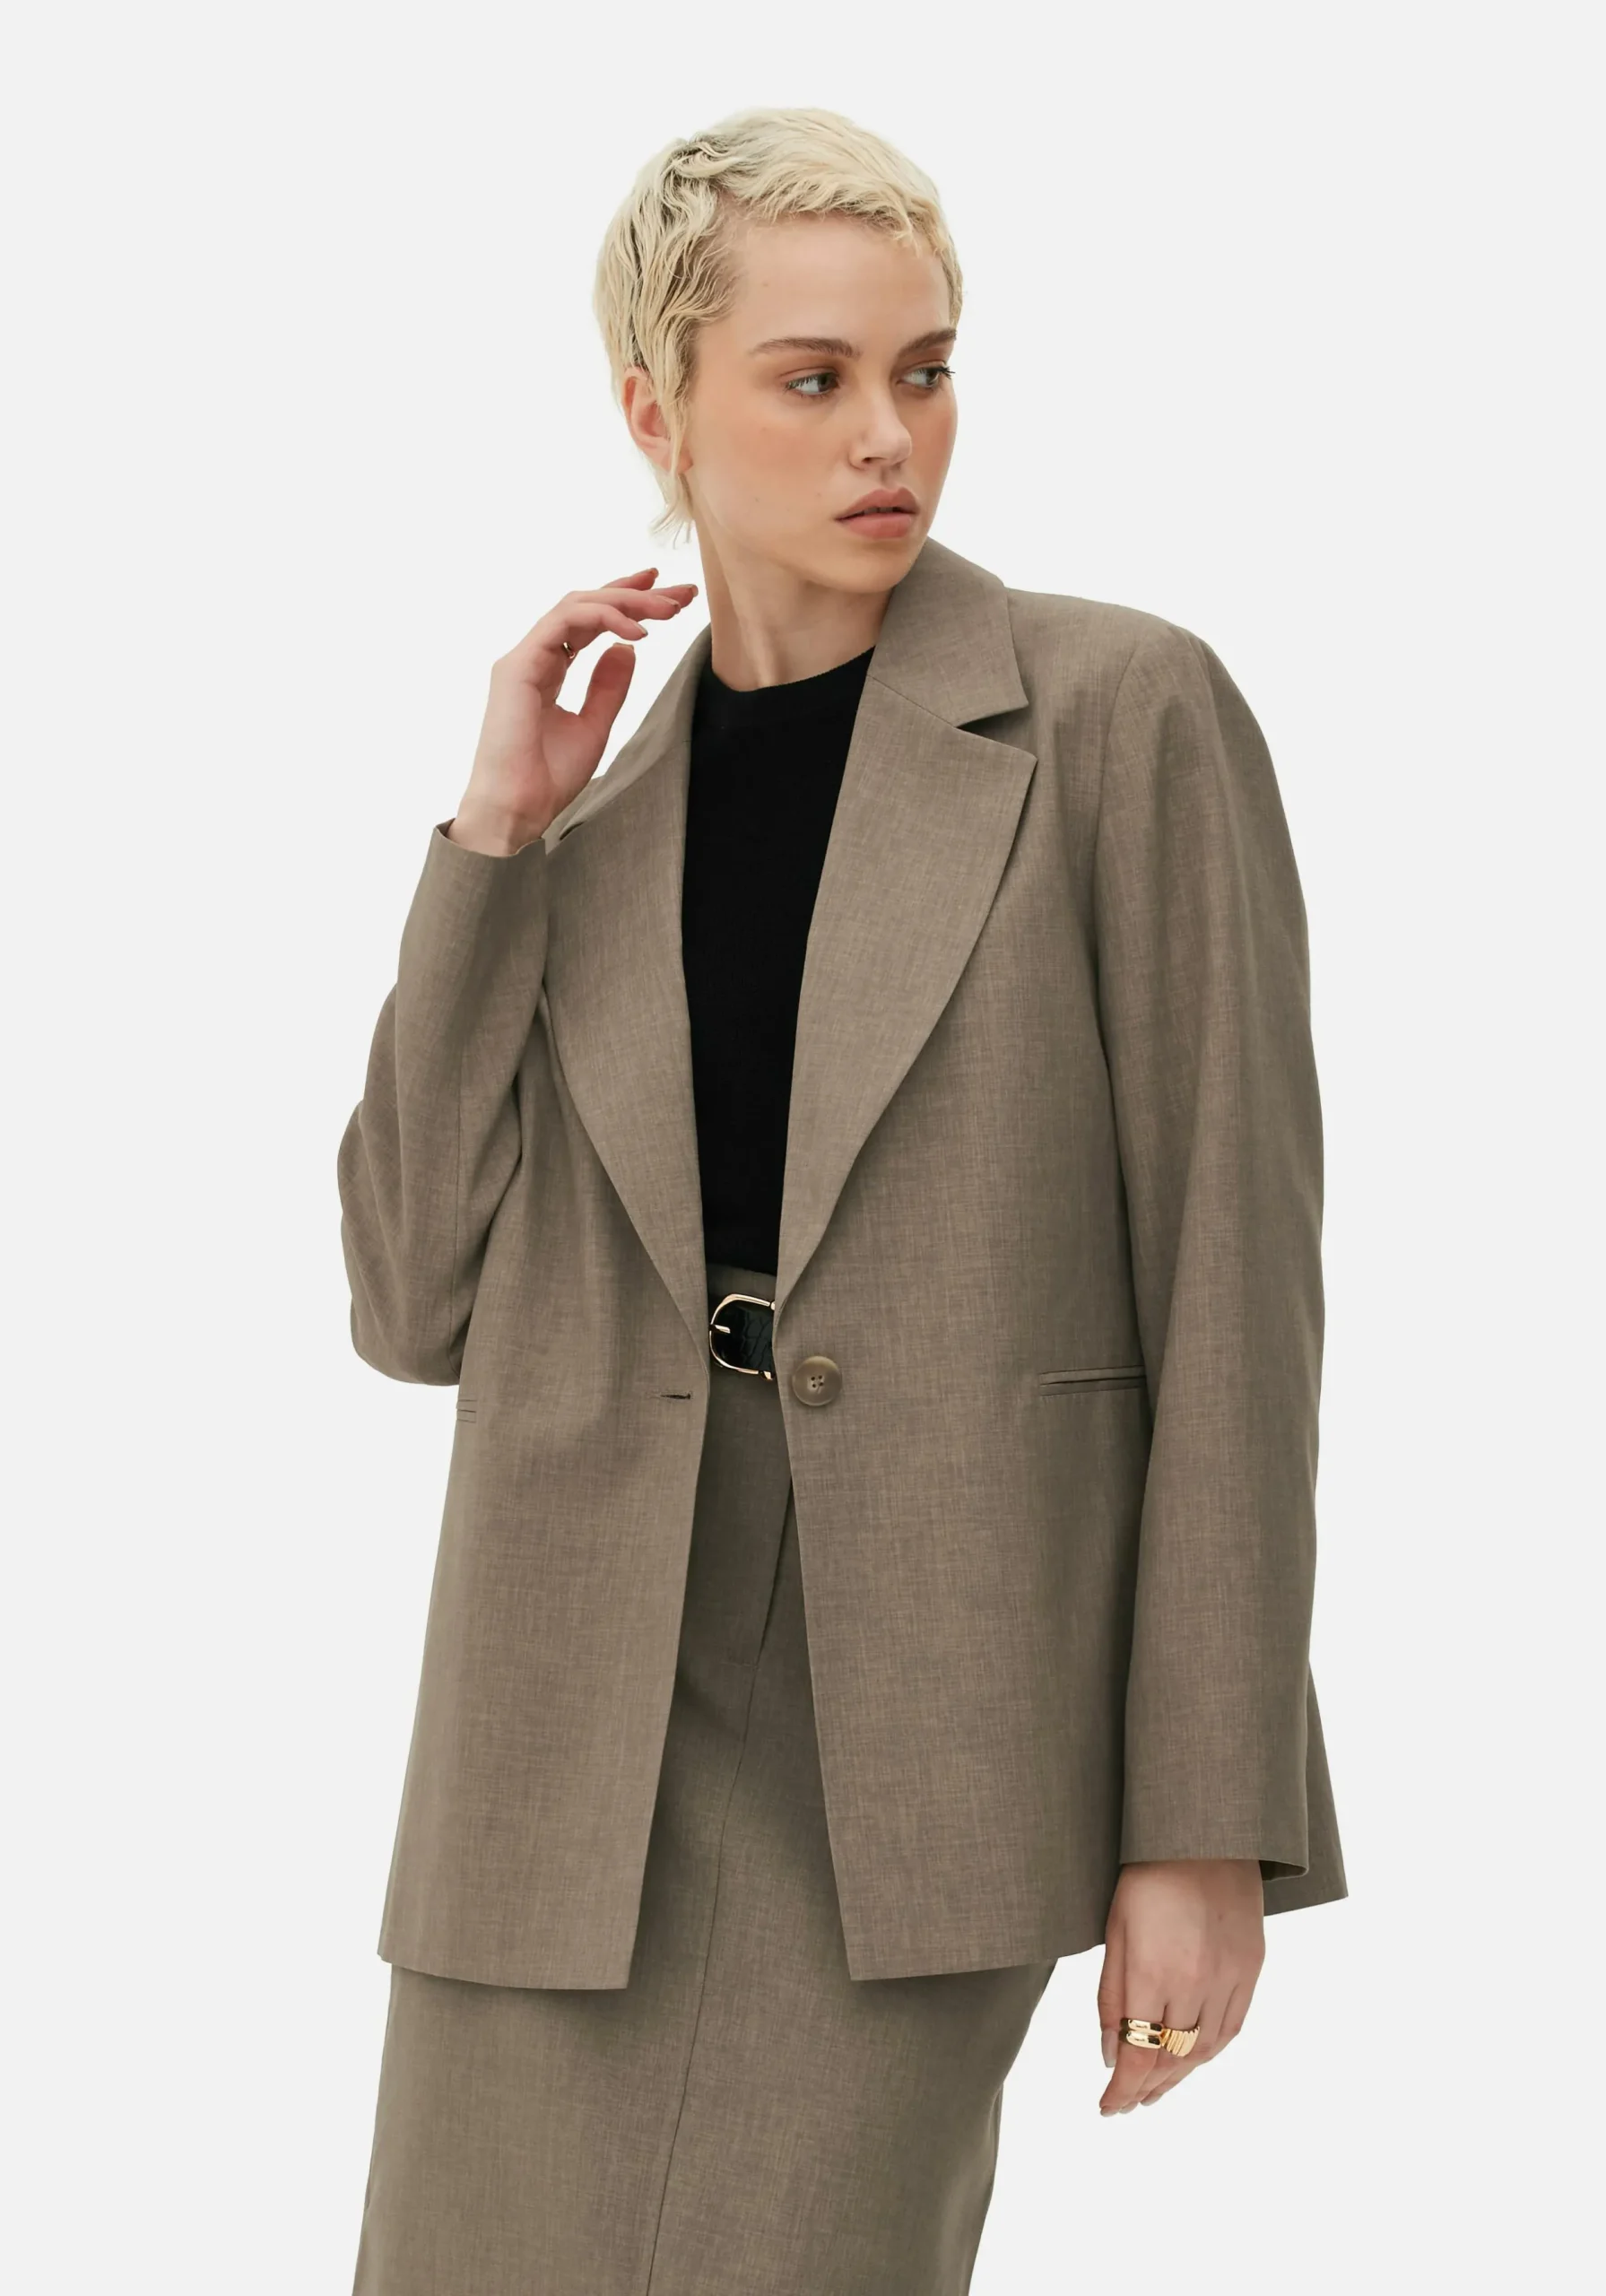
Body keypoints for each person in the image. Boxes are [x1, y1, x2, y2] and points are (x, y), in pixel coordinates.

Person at [339, 104, 1346, 2296]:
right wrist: (493, 836)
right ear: (657, 412)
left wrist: (1207, 1819)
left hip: (928, 1697)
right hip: (560, 1711)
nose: (892, 434)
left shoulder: (1118, 717)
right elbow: (411, 1294)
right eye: (813, 377)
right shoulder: (587, 829)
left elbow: (1235, 1287)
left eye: (927, 368)